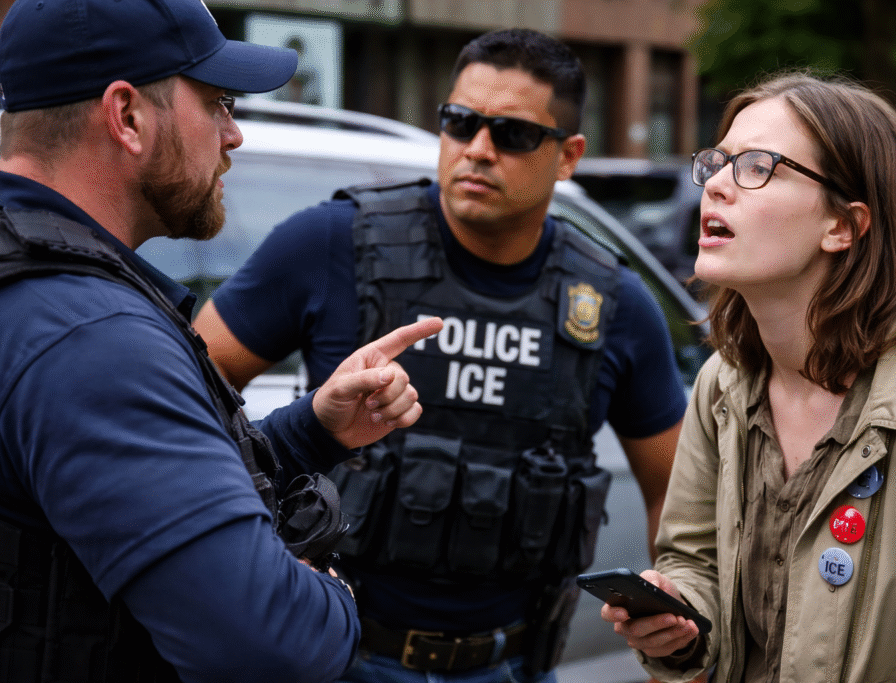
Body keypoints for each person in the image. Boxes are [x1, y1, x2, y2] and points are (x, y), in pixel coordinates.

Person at [0, 0, 443, 681]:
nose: (233, 134)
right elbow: (271, 645)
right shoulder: (87, 336)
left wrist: (311, 432)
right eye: (218, 101)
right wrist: (331, 594)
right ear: (127, 116)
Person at [192, 27, 688, 682]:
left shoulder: (614, 303)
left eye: (511, 134)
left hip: (508, 663)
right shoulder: (328, 244)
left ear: (568, 156)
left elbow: (679, 505)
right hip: (330, 653)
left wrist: (673, 616)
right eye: (459, 123)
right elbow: (185, 408)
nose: (477, 150)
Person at [602, 70, 896, 682]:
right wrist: (678, 627)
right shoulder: (722, 385)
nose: (716, 185)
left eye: (756, 166)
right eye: (718, 162)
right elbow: (692, 563)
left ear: (844, 226)